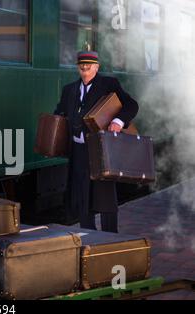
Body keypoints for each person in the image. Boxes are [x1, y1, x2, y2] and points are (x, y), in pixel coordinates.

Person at [54, 50, 139, 233]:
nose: (85, 69)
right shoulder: (69, 90)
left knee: (105, 195)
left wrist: (118, 121)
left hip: (101, 150)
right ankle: (89, 235)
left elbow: (132, 105)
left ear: (97, 67)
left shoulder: (109, 84)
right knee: (83, 196)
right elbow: (60, 112)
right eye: (82, 66)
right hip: (78, 150)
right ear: (78, 67)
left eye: (89, 66)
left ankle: (110, 236)